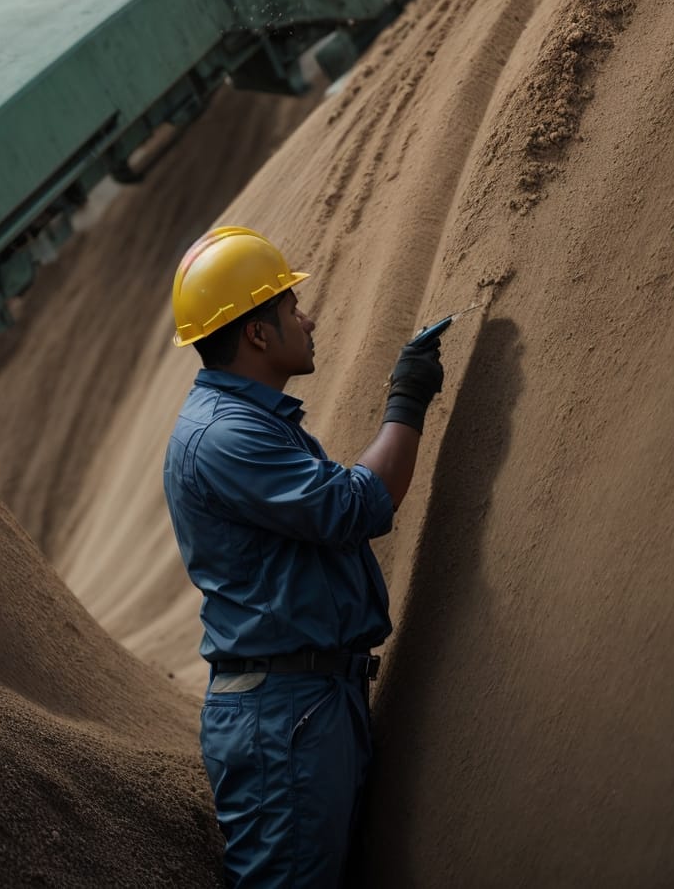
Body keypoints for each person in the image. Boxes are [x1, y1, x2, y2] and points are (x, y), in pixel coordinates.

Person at [162, 225, 447, 887]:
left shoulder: (246, 421)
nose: (308, 317)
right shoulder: (225, 438)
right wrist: (406, 401)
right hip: (284, 722)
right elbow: (355, 508)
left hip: (308, 702)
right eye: (291, 308)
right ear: (257, 334)